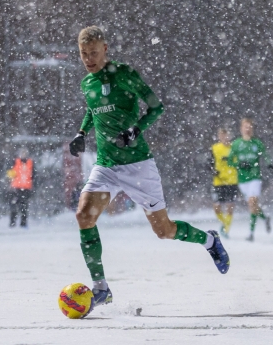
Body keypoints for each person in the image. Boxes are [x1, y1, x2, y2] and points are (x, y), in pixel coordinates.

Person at [68, 26, 229, 309]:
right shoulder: (87, 83)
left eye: (93, 53)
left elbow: (157, 107)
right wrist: (82, 133)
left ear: (105, 49)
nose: (88, 59)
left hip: (138, 166)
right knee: (84, 215)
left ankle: (209, 240)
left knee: (164, 230)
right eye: (83, 54)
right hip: (106, 165)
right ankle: (101, 287)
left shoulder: (125, 74)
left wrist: (135, 129)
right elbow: (92, 110)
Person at [227, 118, 273, 242]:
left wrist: (270, 164)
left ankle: (251, 233)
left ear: (252, 129)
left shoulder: (257, 143)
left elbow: (266, 155)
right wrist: (240, 165)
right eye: (245, 127)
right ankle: (265, 218)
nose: (247, 129)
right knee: (253, 207)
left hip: (255, 177)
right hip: (242, 179)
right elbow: (230, 160)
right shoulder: (236, 144)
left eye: (250, 127)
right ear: (241, 129)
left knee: (252, 203)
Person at [210, 128, 239, 238]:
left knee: (230, 207)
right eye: (222, 136)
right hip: (219, 182)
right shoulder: (214, 148)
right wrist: (213, 170)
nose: (225, 138)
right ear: (219, 137)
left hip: (232, 181)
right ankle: (224, 223)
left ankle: (226, 231)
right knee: (216, 207)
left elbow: (238, 162)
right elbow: (209, 162)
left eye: (226, 136)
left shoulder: (234, 148)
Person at [8, 147, 35, 228]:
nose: (23, 155)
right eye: (22, 153)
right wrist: (11, 180)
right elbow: (10, 173)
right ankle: (12, 223)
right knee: (14, 206)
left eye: (25, 153)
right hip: (16, 187)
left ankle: (23, 223)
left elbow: (34, 175)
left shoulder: (30, 163)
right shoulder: (15, 162)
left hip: (26, 188)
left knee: (24, 207)